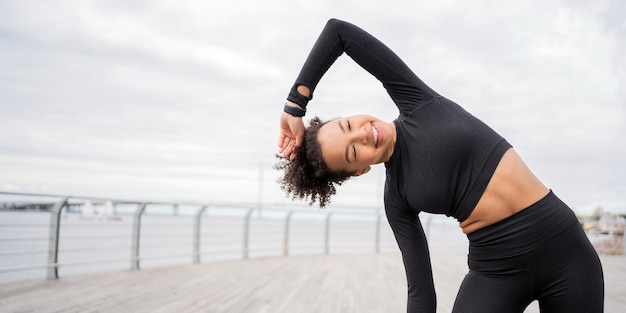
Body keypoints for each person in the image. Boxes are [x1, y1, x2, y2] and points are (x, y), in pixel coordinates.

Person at [275, 18, 604, 313]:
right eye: (352, 153)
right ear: (360, 171)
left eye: (349, 125)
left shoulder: (416, 101)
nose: (362, 134)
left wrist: (296, 103)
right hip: (496, 271)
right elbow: (420, 293)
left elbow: (339, 32)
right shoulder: (397, 199)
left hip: (565, 251)